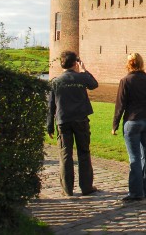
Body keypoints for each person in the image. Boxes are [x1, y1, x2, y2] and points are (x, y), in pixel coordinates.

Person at [112, 53, 146, 201]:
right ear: (141, 63)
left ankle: (136, 192)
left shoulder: (125, 81)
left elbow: (120, 105)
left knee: (134, 157)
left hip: (132, 121)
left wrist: (115, 124)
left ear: (128, 64)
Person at [47, 50, 99, 196]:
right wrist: (83, 70)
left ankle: (67, 189)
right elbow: (94, 84)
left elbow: (51, 105)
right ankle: (86, 187)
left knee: (65, 155)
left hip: (63, 121)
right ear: (75, 63)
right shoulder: (81, 78)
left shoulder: (56, 82)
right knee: (84, 153)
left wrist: (49, 125)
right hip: (81, 120)